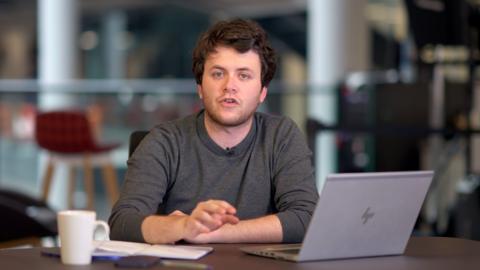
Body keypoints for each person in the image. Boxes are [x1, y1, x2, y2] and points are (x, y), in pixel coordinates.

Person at [109, 18, 318, 244]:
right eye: (218, 73)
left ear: (262, 93)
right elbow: (122, 223)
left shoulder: (281, 136)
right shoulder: (164, 141)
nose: (230, 86)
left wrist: (207, 233)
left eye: (244, 75)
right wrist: (183, 226)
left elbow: (307, 218)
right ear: (200, 87)